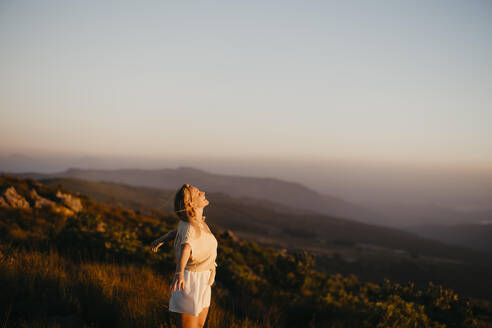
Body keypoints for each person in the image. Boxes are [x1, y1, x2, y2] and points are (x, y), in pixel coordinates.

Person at [151, 184, 218, 328]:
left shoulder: (194, 222)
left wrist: (162, 239)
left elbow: (178, 232)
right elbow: (186, 247)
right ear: (191, 204)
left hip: (203, 279)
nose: (203, 192)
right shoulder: (190, 227)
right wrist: (179, 273)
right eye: (198, 193)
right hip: (190, 282)